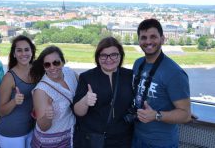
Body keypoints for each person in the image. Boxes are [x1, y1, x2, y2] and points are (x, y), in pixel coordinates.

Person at [131, 18, 191, 148]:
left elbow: (186, 115)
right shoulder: (138, 64)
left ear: (162, 39)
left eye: (153, 37)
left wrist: (156, 115)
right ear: (139, 41)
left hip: (161, 143)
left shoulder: (174, 73)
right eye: (143, 37)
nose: (148, 41)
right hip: (136, 137)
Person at [73, 36, 134, 148]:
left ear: (120, 55)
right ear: (98, 57)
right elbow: (78, 111)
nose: (109, 59)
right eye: (104, 55)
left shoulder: (129, 76)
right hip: (94, 140)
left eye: (114, 55)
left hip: (123, 139)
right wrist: (85, 101)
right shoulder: (87, 77)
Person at [29, 45, 78, 148]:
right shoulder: (41, 91)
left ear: (63, 62)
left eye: (56, 63)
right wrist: (47, 116)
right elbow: (43, 127)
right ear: (44, 67)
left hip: (71, 136)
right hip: (51, 142)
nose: (52, 67)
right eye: (47, 64)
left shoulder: (70, 73)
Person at [0, 35, 36, 148]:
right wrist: (14, 101)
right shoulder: (9, 78)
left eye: (27, 49)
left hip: (30, 129)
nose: (24, 53)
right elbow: (1, 111)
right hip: (11, 133)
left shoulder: (36, 70)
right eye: (19, 50)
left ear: (32, 51)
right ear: (14, 54)